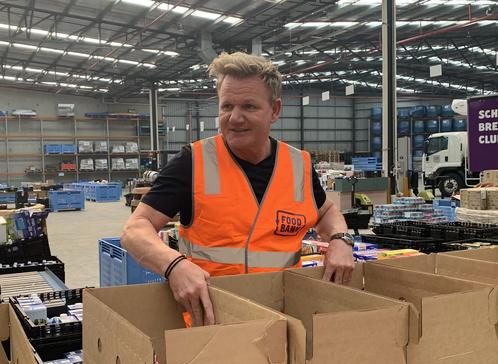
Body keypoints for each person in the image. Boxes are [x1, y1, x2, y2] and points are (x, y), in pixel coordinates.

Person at [121, 52, 355, 327]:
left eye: (249, 107)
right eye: (226, 106)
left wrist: (341, 239)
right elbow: (134, 229)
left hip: (281, 321)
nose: (234, 118)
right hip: (212, 323)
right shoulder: (193, 162)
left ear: (275, 110)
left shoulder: (297, 165)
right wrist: (173, 266)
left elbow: (326, 211)